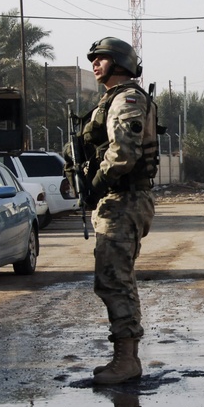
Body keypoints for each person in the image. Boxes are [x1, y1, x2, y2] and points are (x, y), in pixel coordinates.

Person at [72, 36, 158, 385]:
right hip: (119, 200)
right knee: (114, 278)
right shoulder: (112, 100)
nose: (95, 64)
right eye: (93, 58)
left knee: (114, 279)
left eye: (102, 58)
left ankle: (127, 360)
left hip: (123, 199)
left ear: (120, 62)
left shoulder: (127, 98)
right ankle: (125, 357)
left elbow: (124, 152)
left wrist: (96, 185)